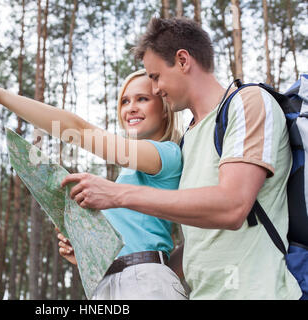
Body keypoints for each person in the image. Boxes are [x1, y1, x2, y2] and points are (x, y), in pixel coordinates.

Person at [59, 17, 302, 300]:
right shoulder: (187, 142)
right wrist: (110, 259)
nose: (156, 88)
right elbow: (202, 240)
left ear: (183, 60)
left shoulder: (248, 102)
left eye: (155, 76)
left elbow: (233, 206)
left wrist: (118, 194)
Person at [0, 62, 188, 300]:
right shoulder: (129, 175)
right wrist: (90, 251)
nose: (131, 107)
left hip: (144, 283)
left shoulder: (166, 154)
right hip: (108, 283)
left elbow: (77, 129)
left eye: (142, 99)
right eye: (124, 101)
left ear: (165, 108)